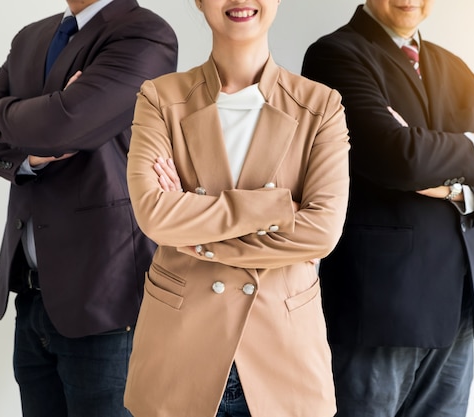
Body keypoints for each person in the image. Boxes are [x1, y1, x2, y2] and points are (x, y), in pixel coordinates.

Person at [122, 0, 350, 416]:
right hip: (179, 355)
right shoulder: (159, 98)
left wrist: (195, 227)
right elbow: (155, 215)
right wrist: (277, 207)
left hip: (285, 359)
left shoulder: (322, 106)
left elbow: (322, 232)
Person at [301, 1, 474, 416]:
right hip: (379, 312)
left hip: (458, 307)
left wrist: (452, 190)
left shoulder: (454, 66)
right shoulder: (335, 55)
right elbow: (398, 156)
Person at [0, 1, 177, 416]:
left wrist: (7, 114)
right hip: (33, 300)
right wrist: (32, 152)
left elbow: (63, 126)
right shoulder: (31, 37)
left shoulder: (144, 34)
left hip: (107, 303)